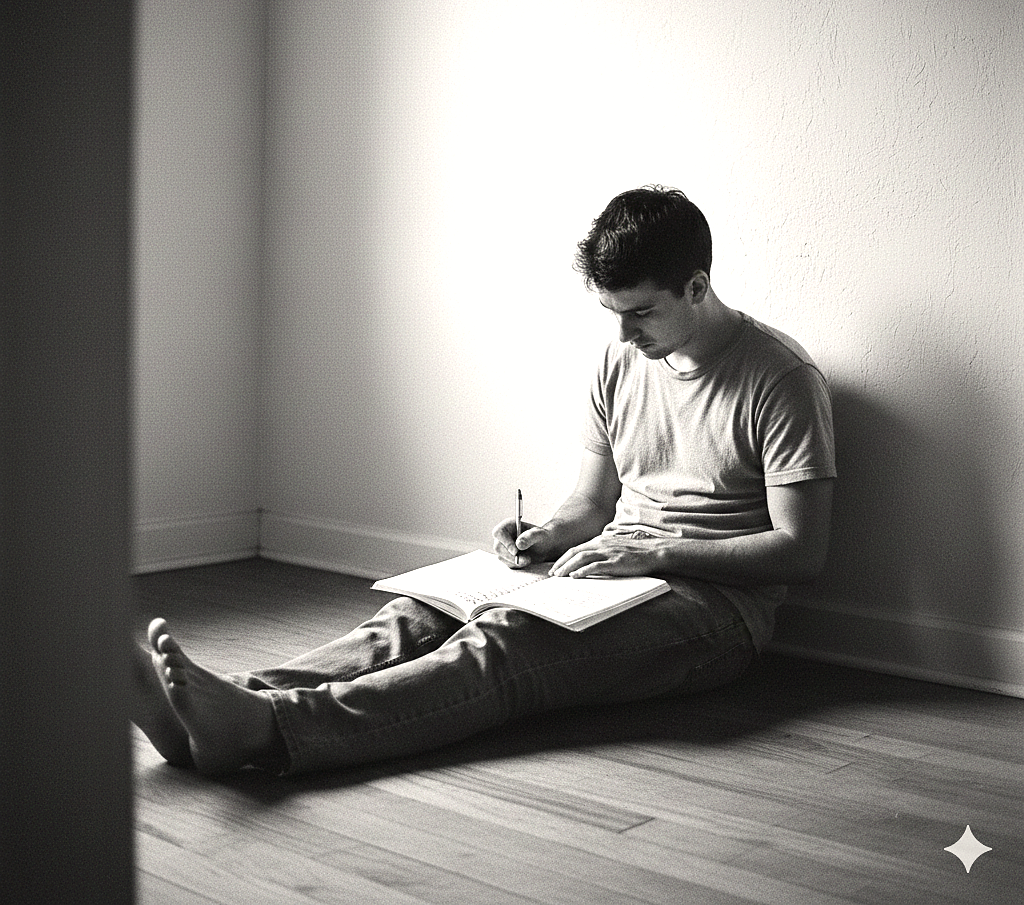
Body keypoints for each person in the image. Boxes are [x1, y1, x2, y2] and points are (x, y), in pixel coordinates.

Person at [133, 185, 836, 776]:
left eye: (641, 313)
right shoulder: (620, 363)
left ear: (697, 287)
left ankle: (272, 730)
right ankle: (220, 709)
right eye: (612, 314)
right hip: (608, 570)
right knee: (418, 616)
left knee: (506, 644)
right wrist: (543, 537)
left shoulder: (779, 377)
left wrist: (654, 553)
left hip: (715, 614)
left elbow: (800, 551)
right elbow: (591, 505)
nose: (625, 336)